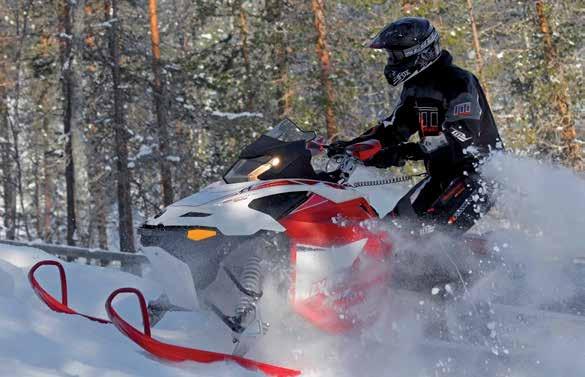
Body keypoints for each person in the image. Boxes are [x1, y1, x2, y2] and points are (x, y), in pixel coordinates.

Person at [329, 17, 504, 237]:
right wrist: (351, 146)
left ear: (422, 52)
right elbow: (394, 129)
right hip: (442, 176)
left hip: (478, 177)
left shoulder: (458, 82)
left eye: (397, 55)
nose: (392, 60)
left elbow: (461, 137)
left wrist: (404, 152)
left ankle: (490, 269)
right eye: (391, 55)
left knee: (430, 238)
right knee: (392, 231)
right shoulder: (415, 87)